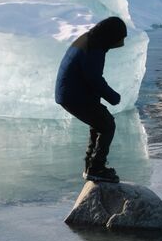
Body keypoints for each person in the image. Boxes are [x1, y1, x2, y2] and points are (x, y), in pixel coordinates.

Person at [55, 16, 128, 184]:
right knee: (107, 125)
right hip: (73, 95)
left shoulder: (90, 40)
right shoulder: (94, 47)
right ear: (111, 36)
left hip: (71, 93)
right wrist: (112, 97)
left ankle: (91, 166)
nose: (121, 43)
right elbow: (93, 78)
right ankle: (96, 168)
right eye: (120, 38)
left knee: (100, 123)